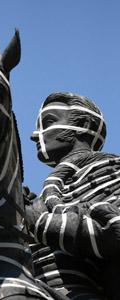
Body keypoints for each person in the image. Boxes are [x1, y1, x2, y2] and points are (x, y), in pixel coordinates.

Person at [25, 92, 120, 300]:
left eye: (48, 122)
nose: (35, 135)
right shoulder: (47, 194)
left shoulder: (112, 171)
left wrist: (40, 221)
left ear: (84, 123)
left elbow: (114, 231)